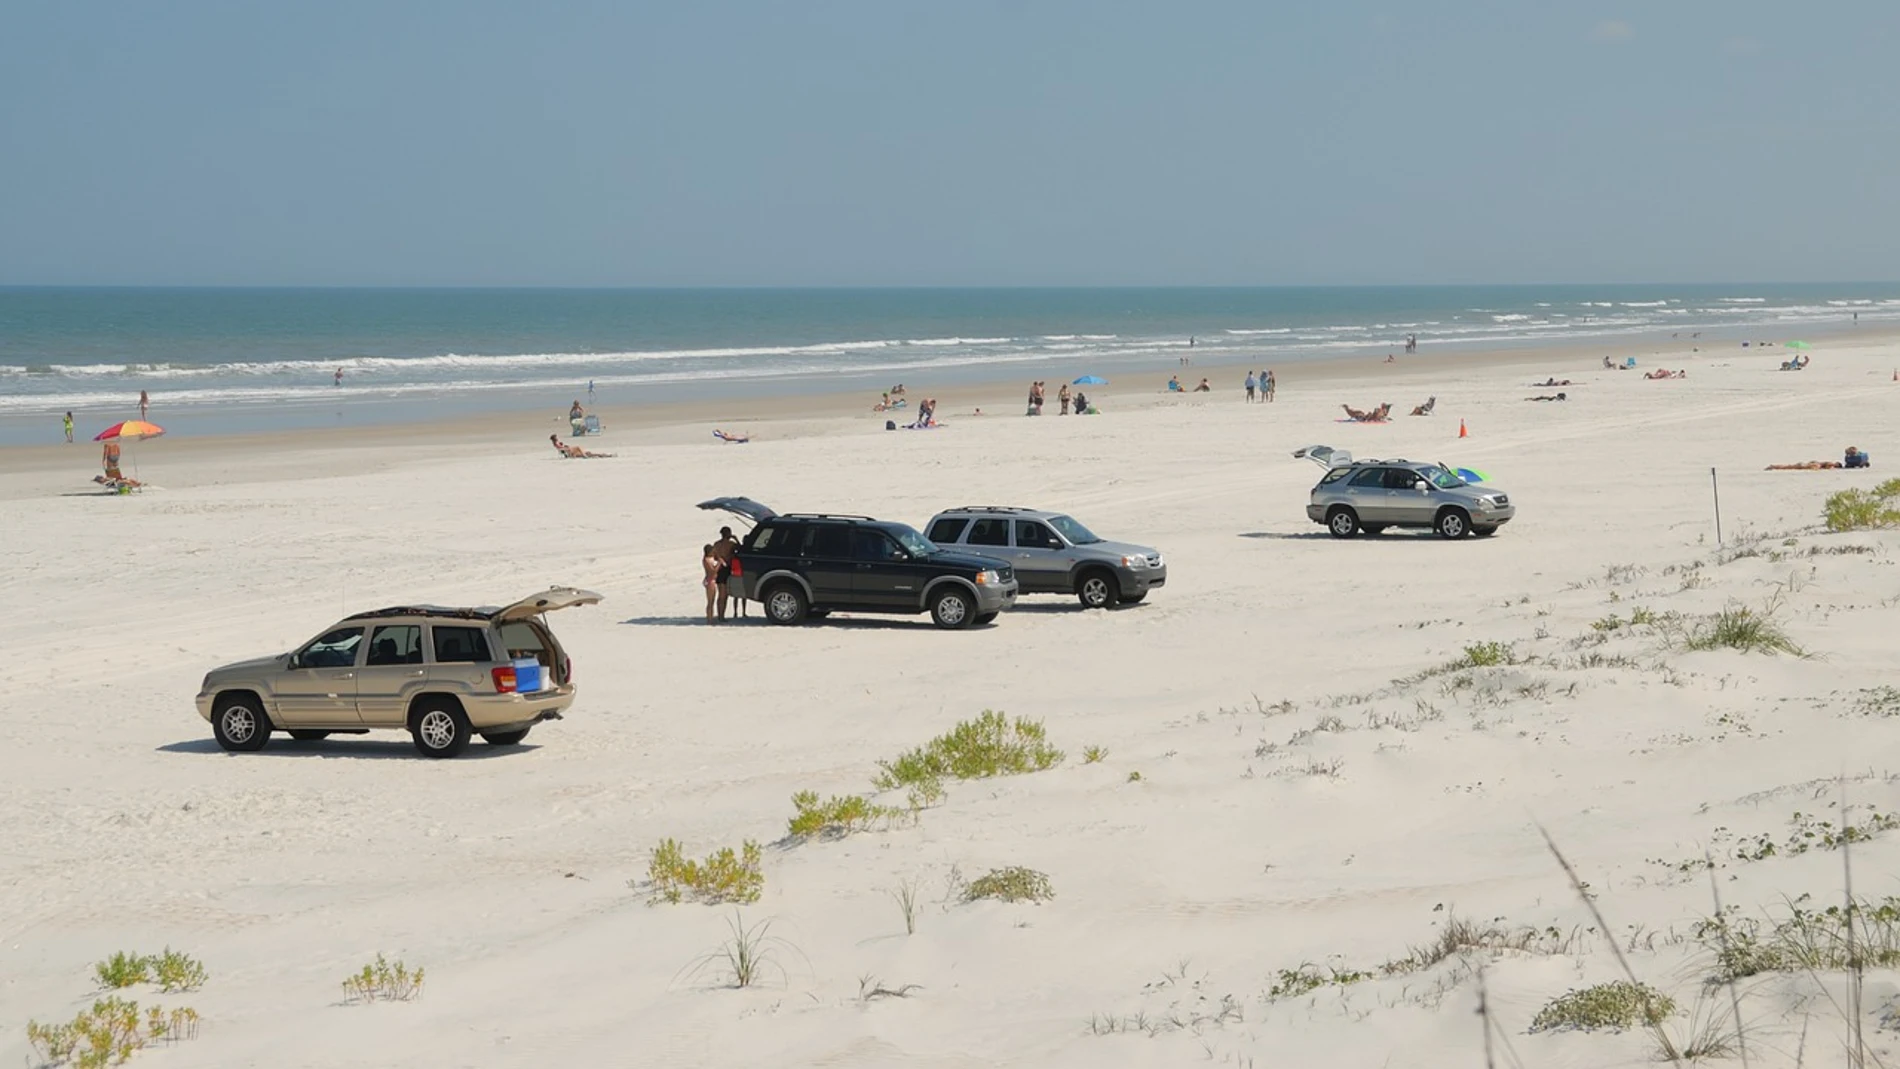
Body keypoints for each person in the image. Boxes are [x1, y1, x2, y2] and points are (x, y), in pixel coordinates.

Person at [712, 526, 740, 620]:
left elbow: (714, 557)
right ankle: (721, 616)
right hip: (727, 569)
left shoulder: (716, 544)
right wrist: (736, 539)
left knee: (721, 594)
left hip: (719, 568)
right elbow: (740, 549)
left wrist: (720, 558)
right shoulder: (731, 544)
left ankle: (720, 614)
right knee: (724, 595)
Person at [701, 544, 721, 623]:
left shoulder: (709, 558)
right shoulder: (706, 560)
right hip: (710, 581)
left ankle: (711, 617)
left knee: (712, 600)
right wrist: (719, 564)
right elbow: (713, 571)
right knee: (710, 601)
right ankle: (709, 619)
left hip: (712, 580)